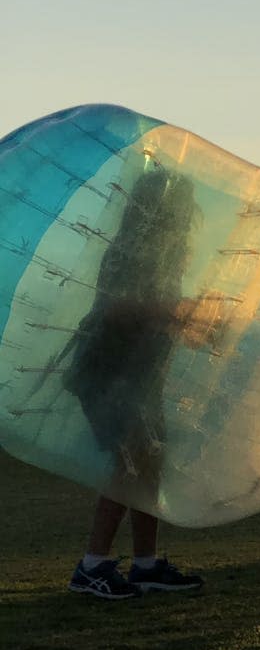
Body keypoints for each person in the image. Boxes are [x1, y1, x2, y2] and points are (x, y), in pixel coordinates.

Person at [62, 165, 208, 599]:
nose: (185, 218)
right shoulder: (130, 250)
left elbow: (155, 314)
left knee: (150, 462)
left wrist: (191, 323)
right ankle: (92, 565)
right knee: (131, 461)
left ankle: (146, 564)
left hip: (139, 373)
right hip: (109, 371)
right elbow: (119, 308)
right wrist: (174, 312)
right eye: (178, 210)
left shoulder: (164, 253)